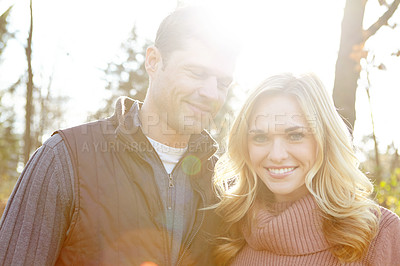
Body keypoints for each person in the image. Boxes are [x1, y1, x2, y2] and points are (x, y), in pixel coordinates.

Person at [0, 6, 239, 266]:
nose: (212, 93)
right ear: (153, 61)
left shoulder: (224, 185)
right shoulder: (64, 158)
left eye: (223, 83)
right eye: (196, 73)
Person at [212, 73, 400, 265]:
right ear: (245, 146)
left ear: (325, 140)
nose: (277, 155)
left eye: (295, 135)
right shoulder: (229, 230)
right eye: (260, 138)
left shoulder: (380, 235)